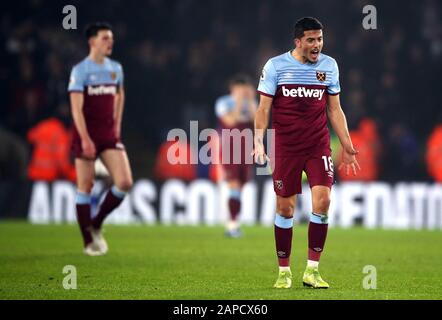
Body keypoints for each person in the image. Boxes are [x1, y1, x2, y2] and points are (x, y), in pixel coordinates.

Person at [253, 17, 360, 289]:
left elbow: (334, 109)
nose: (317, 46)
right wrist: (258, 142)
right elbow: (264, 109)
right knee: (285, 208)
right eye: (311, 40)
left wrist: (346, 143)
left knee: (322, 202)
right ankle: (284, 271)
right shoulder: (275, 66)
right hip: (286, 146)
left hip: (317, 144)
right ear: (298, 42)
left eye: (320, 39)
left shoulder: (329, 66)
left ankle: (312, 270)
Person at [68, 22, 133, 256]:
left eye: (111, 38)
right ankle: (88, 241)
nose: (110, 42)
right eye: (105, 38)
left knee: (124, 182)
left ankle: (96, 223)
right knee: (86, 185)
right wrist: (85, 138)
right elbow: (76, 109)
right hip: (86, 133)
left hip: (108, 134)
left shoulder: (116, 68)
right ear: (92, 41)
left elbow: (119, 96)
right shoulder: (80, 71)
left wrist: (116, 126)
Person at [215, 75, 257, 237]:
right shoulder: (223, 102)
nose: (242, 92)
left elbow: (257, 122)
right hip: (229, 148)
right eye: (240, 89)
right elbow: (231, 121)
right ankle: (232, 225)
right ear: (233, 88)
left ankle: (234, 224)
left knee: (240, 187)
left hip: (246, 148)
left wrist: (252, 100)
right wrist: (239, 102)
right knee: (234, 185)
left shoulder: (251, 103)